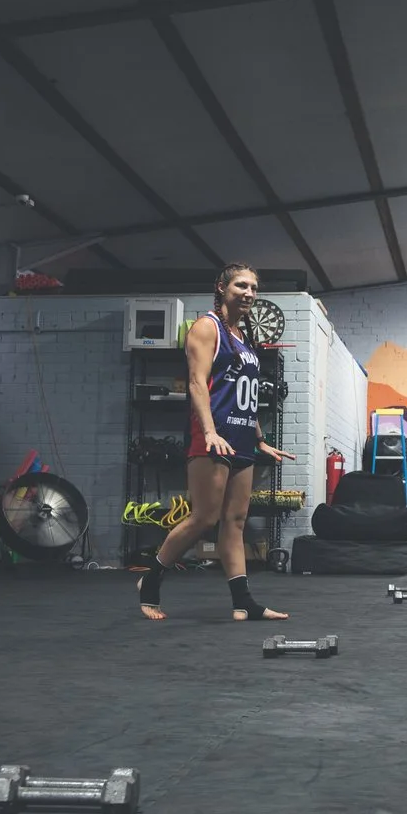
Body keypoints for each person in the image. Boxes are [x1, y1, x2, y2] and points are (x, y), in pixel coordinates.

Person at [136, 263, 294, 622]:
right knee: (204, 518)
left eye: (253, 287)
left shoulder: (244, 336)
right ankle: (151, 579)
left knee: (235, 521)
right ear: (221, 287)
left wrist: (259, 439)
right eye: (241, 285)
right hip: (214, 435)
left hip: (241, 438)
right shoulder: (207, 328)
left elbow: (244, 395)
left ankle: (244, 602)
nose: (249, 293)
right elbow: (196, 382)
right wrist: (209, 431)